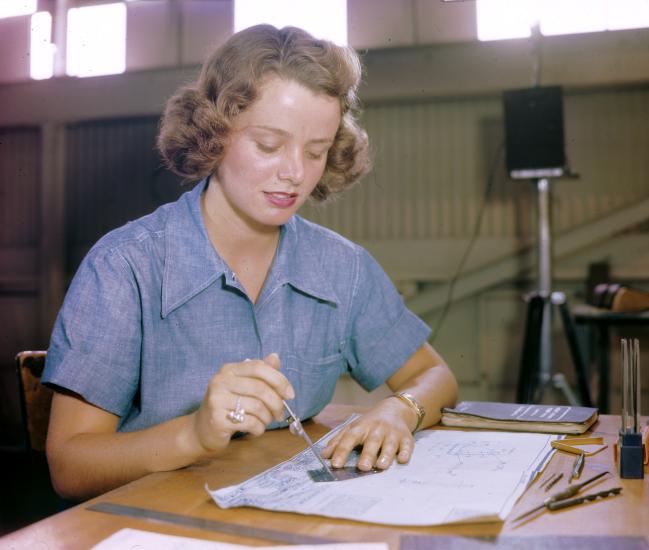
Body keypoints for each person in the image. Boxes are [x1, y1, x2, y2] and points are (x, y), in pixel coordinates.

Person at [43, 24, 458, 501]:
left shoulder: (344, 268)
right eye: (267, 145)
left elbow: (436, 378)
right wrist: (194, 434)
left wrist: (398, 411)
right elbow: (69, 466)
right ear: (212, 133)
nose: (295, 173)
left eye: (316, 151)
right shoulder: (125, 267)